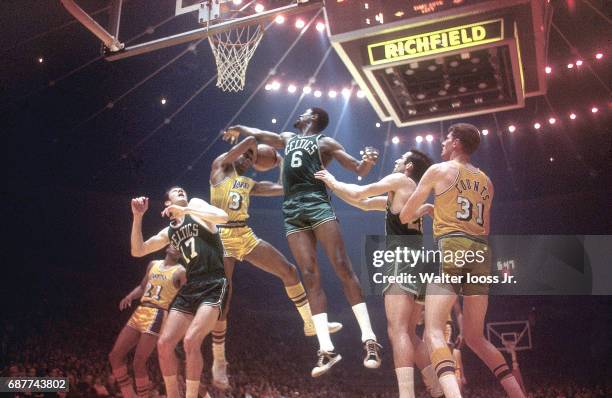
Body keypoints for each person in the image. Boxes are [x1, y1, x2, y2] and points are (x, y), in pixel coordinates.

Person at [223, 107, 381, 377]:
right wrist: (240, 128)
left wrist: (368, 161)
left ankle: (369, 340)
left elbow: (357, 168)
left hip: (317, 204)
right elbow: (262, 134)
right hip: (292, 211)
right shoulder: (287, 138)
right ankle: (326, 350)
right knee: (309, 275)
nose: (299, 114)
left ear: (313, 118)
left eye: (305, 112)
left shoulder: (325, 143)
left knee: (342, 266)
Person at [399, 123, 525, 398]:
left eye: (446, 139)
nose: (443, 143)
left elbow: (406, 216)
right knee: (476, 338)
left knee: (432, 331)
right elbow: (485, 230)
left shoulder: (439, 171)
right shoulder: (487, 182)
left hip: (453, 247)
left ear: (456, 142)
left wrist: (427, 209)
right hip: (480, 253)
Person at [209, 136, 342, 388]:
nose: (248, 159)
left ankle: (308, 323)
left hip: (243, 234)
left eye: (252, 157)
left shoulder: (249, 184)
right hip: (221, 237)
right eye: (246, 155)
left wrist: (281, 161)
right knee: (223, 298)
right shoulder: (219, 167)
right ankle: (219, 361)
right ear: (235, 152)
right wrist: (253, 141)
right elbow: (242, 145)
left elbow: (283, 187)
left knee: (290, 271)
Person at [314, 150, 444, 398]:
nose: (394, 160)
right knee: (411, 333)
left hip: (401, 259)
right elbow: (360, 203)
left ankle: (407, 395)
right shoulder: (412, 190)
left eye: (400, 159)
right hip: (419, 261)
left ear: (407, 166)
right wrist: (331, 184)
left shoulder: (400, 181)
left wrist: (331, 180)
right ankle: (438, 389)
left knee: (397, 331)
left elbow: (361, 192)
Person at [130, 187, 229, 398]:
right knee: (164, 345)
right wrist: (137, 217)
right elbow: (138, 250)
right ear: (167, 203)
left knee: (191, 340)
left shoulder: (195, 205)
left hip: (213, 282)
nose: (181, 191)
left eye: (182, 190)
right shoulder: (169, 232)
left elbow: (223, 216)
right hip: (191, 285)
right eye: (175, 191)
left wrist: (187, 212)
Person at [109, 245, 186, 398]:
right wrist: (130, 296)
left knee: (138, 363)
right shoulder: (153, 264)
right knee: (115, 356)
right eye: (175, 243)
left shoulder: (181, 271)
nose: (177, 247)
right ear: (168, 247)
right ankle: (129, 394)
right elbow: (142, 287)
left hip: (157, 314)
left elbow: (189, 296)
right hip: (140, 310)